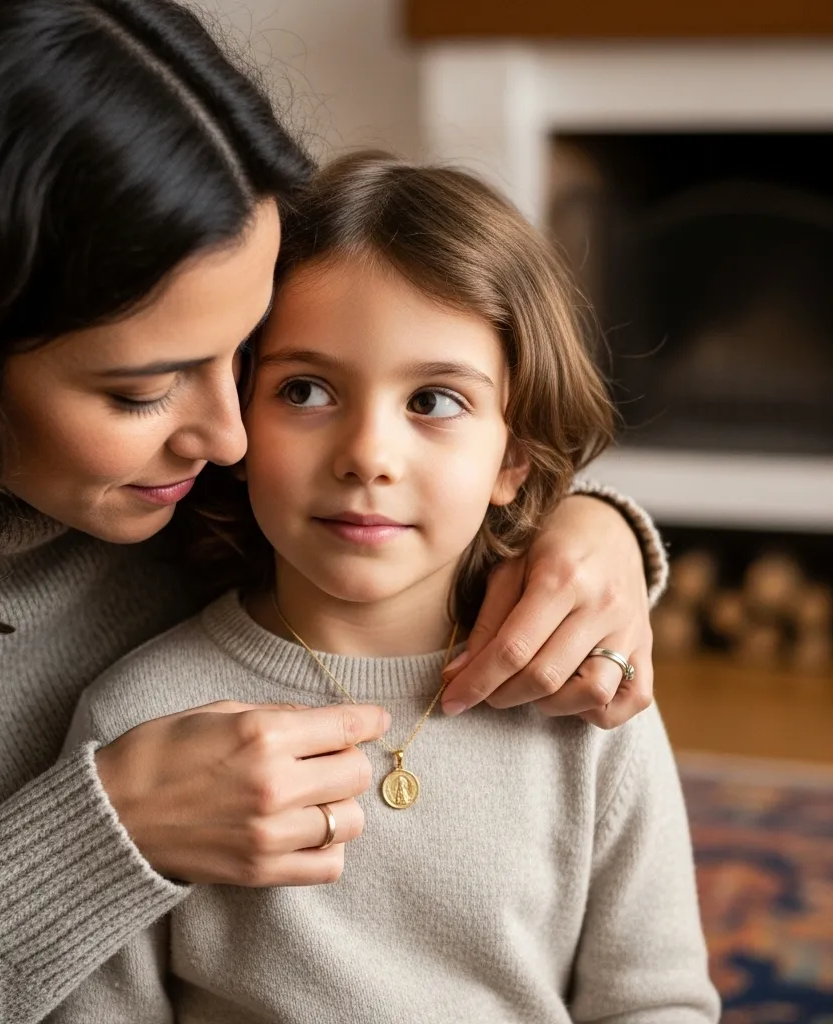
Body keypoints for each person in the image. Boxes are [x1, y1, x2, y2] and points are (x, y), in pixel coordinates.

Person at [0, 1, 665, 1021]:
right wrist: (105, 836)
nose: (230, 437)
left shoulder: (208, 478)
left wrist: (588, 530)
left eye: (249, 356)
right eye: (141, 390)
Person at [53, 153, 719, 1023]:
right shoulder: (141, 719)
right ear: (235, 412)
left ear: (512, 457)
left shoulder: (590, 706)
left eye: (435, 401)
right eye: (306, 389)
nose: (368, 455)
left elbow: (656, 1001)